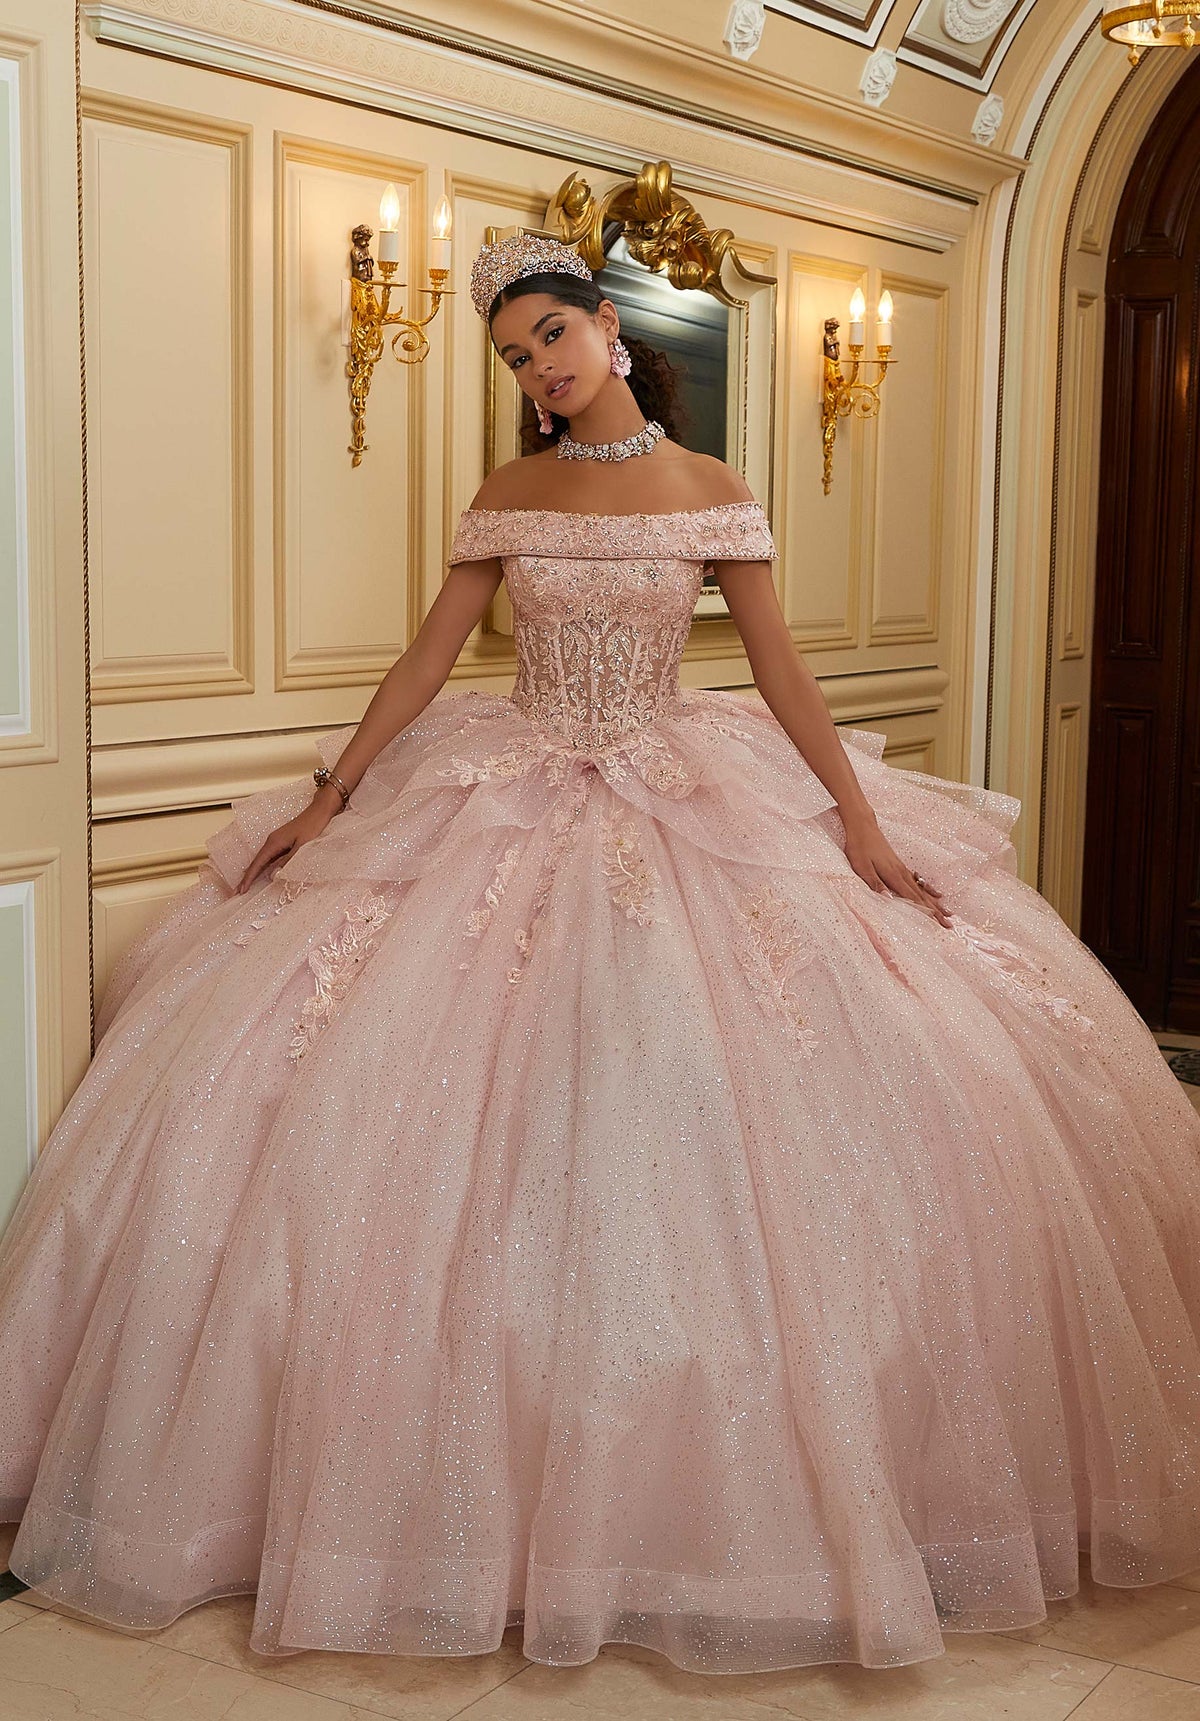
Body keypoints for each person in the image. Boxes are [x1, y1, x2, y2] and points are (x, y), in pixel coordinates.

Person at [0, 231, 1198, 1677]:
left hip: (683, 782)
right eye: (514, 356)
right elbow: (434, 656)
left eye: (552, 337)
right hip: (506, 782)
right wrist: (333, 794)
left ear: (611, 330)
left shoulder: (713, 494)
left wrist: (861, 822)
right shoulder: (510, 493)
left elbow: (777, 669)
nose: (539, 370)